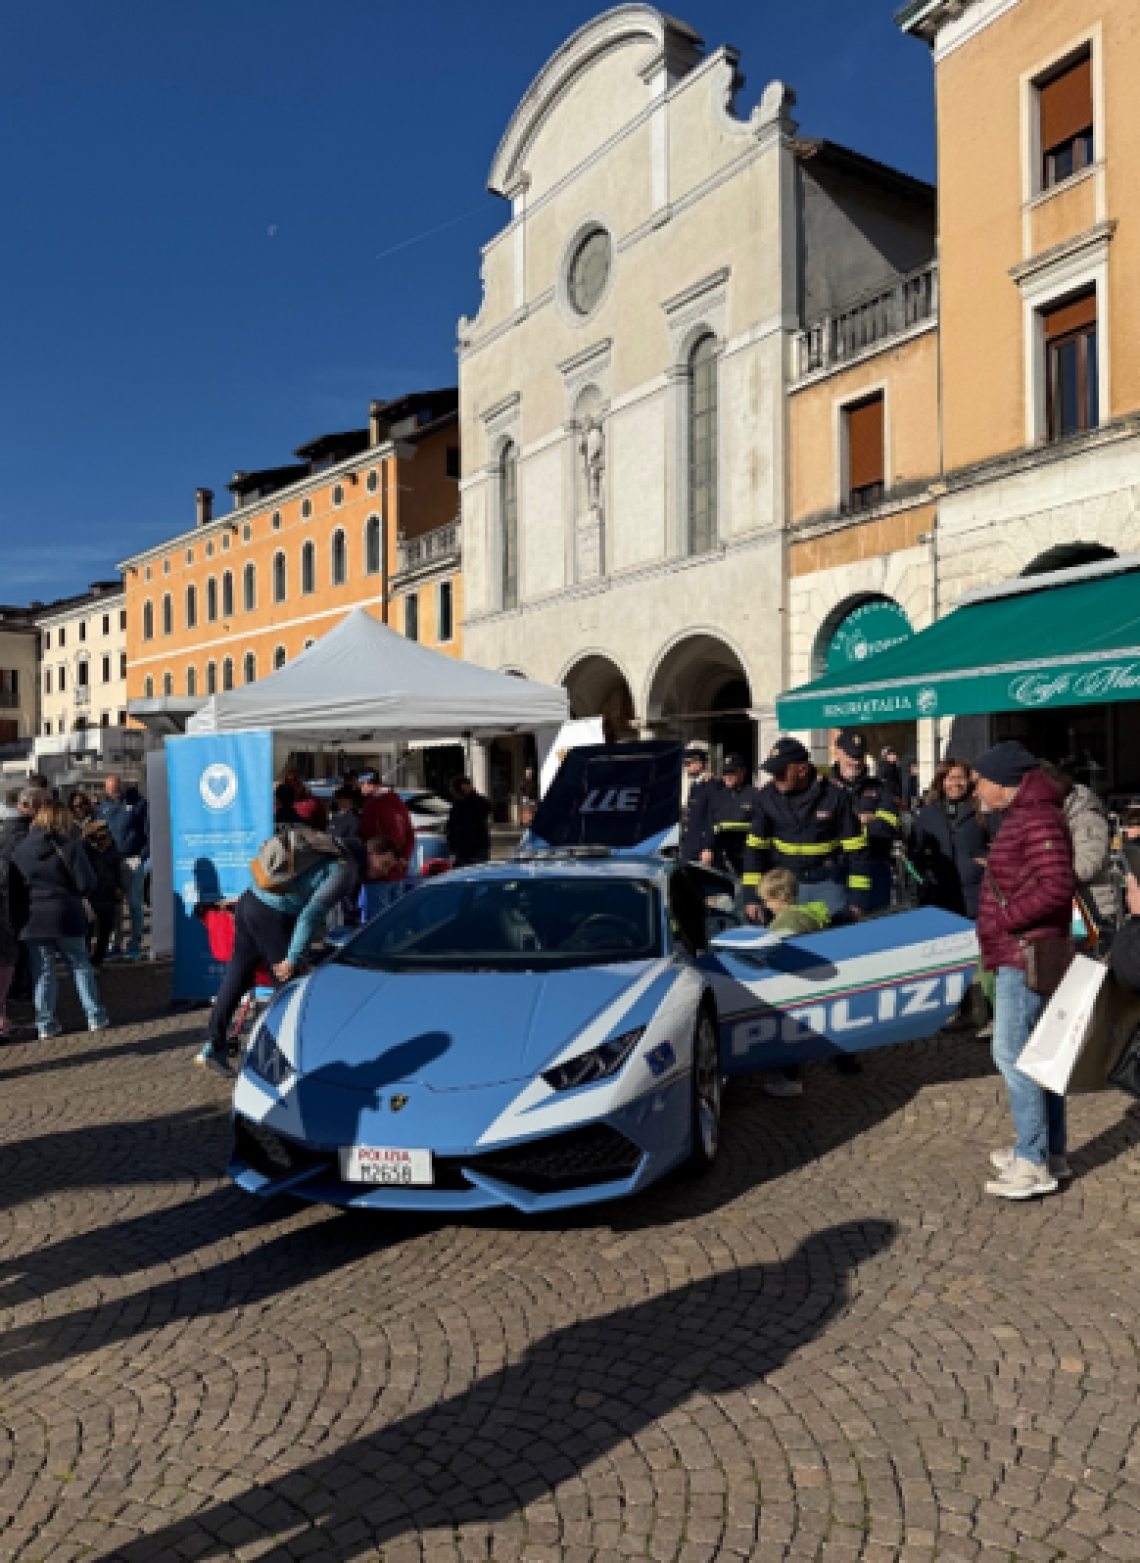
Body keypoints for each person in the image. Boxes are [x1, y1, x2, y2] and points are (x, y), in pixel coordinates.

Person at [973, 740, 1074, 1200]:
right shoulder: (1026, 814)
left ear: (1004, 783)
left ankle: (1033, 1162)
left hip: (1026, 952)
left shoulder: (1034, 815)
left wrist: (1004, 921)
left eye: (981, 780)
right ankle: (1049, 1151)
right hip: (1024, 949)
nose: (976, 788)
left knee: (1013, 1054)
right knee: (1038, 1054)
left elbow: (1056, 887)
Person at [197, 824, 358, 1076]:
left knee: (236, 978)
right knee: (288, 988)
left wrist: (242, 901)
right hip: (272, 916)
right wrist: (293, 958)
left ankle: (213, 1045)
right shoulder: (340, 871)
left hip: (250, 902)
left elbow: (276, 879)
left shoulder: (315, 848)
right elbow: (311, 915)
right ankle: (273, 1057)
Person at [743, 738, 872, 923]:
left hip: (828, 885)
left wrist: (858, 901)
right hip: (785, 889)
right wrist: (751, 896)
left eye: (780, 773)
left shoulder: (835, 797)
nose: (775, 779)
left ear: (802, 770)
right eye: (773, 773)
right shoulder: (766, 798)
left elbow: (857, 851)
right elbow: (754, 850)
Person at [10, 801, 109, 1039]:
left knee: (42, 971)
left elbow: (14, 888)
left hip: (33, 917)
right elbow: (87, 883)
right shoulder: (70, 846)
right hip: (66, 913)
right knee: (79, 965)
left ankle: (45, 1023)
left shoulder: (20, 850)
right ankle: (94, 1016)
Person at [1037, 761, 1114, 934]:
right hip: (1063, 911)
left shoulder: (1085, 816)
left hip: (1092, 912)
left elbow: (1087, 866)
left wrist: (1041, 875)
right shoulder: (1050, 816)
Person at [831, 729, 901, 911]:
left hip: (875, 868)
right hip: (835, 872)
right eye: (850, 755)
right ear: (838, 752)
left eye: (860, 756)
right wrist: (861, 821)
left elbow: (888, 826)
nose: (855, 762)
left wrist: (848, 828)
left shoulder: (880, 788)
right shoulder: (823, 790)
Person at [911, 758, 989, 919]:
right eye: (950, 778)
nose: (956, 783)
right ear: (941, 781)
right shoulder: (928, 812)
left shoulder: (981, 808)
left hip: (974, 893)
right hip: (938, 893)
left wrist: (983, 860)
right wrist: (923, 877)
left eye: (961, 778)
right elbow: (915, 850)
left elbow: (998, 840)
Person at [97, 775, 148, 960]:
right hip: (111, 863)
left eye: (117, 788)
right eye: (110, 790)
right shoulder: (103, 808)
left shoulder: (138, 804)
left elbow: (147, 831)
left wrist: (142, 856)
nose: (114, 793)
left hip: (132, 859)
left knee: (134, 904)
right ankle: (115, 944)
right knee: (115, 906)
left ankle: (135, 944)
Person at [707, 754, 762, 877]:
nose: (728, 777)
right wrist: (708, 848)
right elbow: (710, 824)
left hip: (745, 859)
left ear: (742, 772)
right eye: (725, 773)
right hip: (720, 859)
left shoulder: (755, 796)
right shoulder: (718, 796)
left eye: (732, 773)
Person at [80, 817, 122, 966]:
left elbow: (117, 869)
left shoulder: (112, 849)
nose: (107, 838)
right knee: (88, 929)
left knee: (106, 928)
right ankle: (85, 959)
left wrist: (119, 886)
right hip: (91, 894)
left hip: (108, 892)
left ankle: (99, 958)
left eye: (107, 834)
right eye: (102, 835)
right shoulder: (85, 850)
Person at [359, 772, 414, 880]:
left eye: (361, 784)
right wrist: (403, 858)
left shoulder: (372, 805)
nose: (359, 788)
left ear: (367, 783)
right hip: (398, 870)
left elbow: (369, 837)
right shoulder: (398, 802)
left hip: (378, 871)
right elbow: (410, 835)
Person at [328, 787, 367, 926]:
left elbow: (356, 842)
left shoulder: (353, 819)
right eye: (337, 799)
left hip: (347, 865)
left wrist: (338, 842)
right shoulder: (333, 818)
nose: (339, 802)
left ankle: (345, 932)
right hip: (333, 865)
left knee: (346, 903)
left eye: (342, 799)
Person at [760, 869, 831, 936]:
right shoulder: (812, 915)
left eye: (767, 900)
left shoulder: (782, 924)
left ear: (781, 896)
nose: (766, 906)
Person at [446, 776, 494, 867]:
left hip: (477, 849)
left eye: (454, 791)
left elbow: (487, 807)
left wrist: (470, 793)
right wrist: (453, 848)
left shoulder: (477, 803)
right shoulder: (456, 807)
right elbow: (451, 828)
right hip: (461, 851)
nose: (453, 794)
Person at [679, 745, 715, 864]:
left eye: (688, 764)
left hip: (700, 847)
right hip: (689, 844)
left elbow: (711, 818)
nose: (686, 767)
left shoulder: (711, 785)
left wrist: (707, 847)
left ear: (700, 764)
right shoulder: (696, 785)